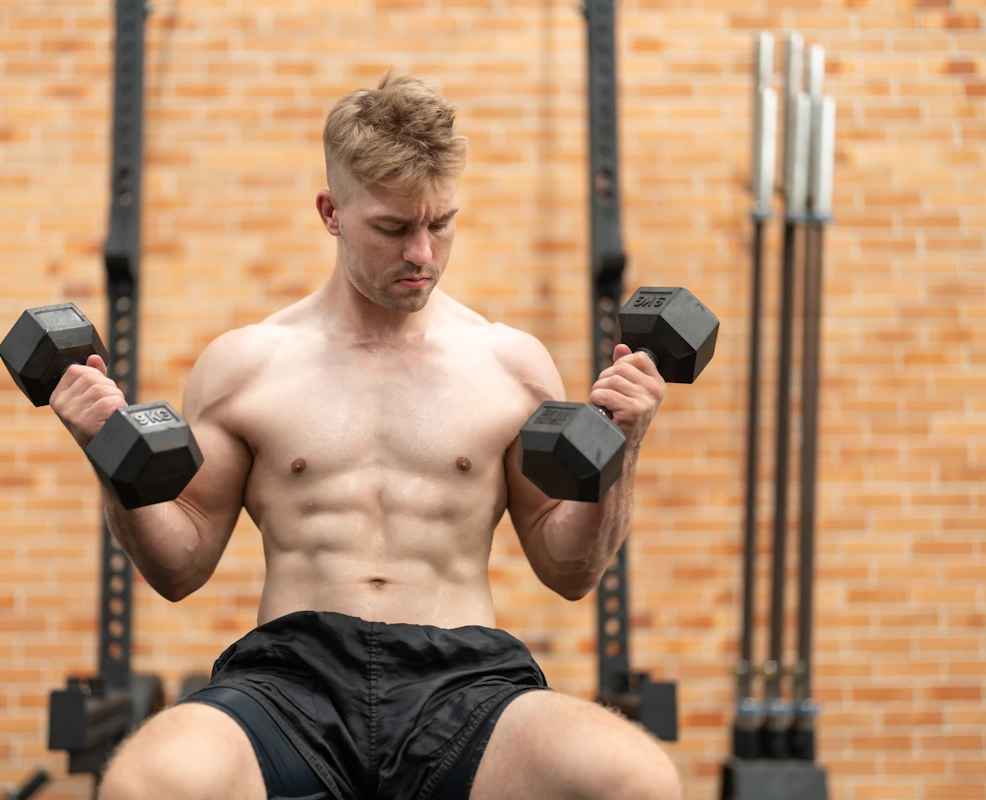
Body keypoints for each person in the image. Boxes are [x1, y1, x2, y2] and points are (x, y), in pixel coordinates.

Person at [52, 71, 682, 800]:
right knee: (144, 783)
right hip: (289, 685)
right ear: (332, 212)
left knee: (637, 778)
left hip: (464, 682)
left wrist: (626, 446)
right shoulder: (246, 365)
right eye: (393, 228)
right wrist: (105, 450)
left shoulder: (510, 365)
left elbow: (569, 571)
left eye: (441, 223)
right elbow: (180, 565)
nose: (423, 253)